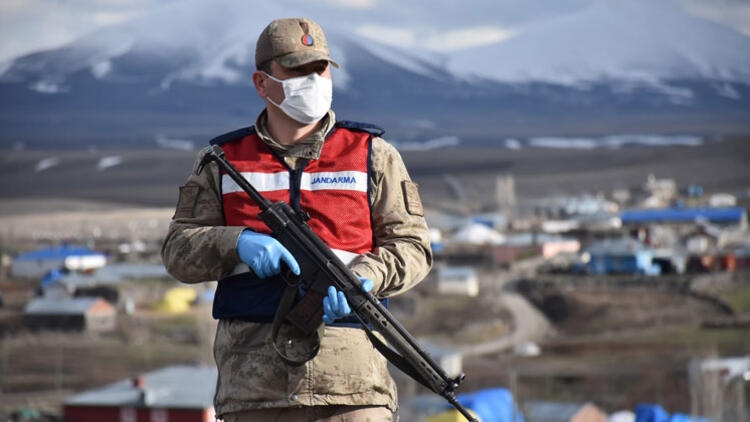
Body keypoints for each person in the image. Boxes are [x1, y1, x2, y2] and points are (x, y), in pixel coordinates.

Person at [161, 17, 432, 422]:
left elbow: (413, 247)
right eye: (296, 70)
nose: (313, 80)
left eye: (320, 69)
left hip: (353, 388)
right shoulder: (223, 162)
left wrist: (369, 275)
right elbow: (177, 251)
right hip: (255, 391)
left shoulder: (372, 155)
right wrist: (237, 243)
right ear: (261, 83)